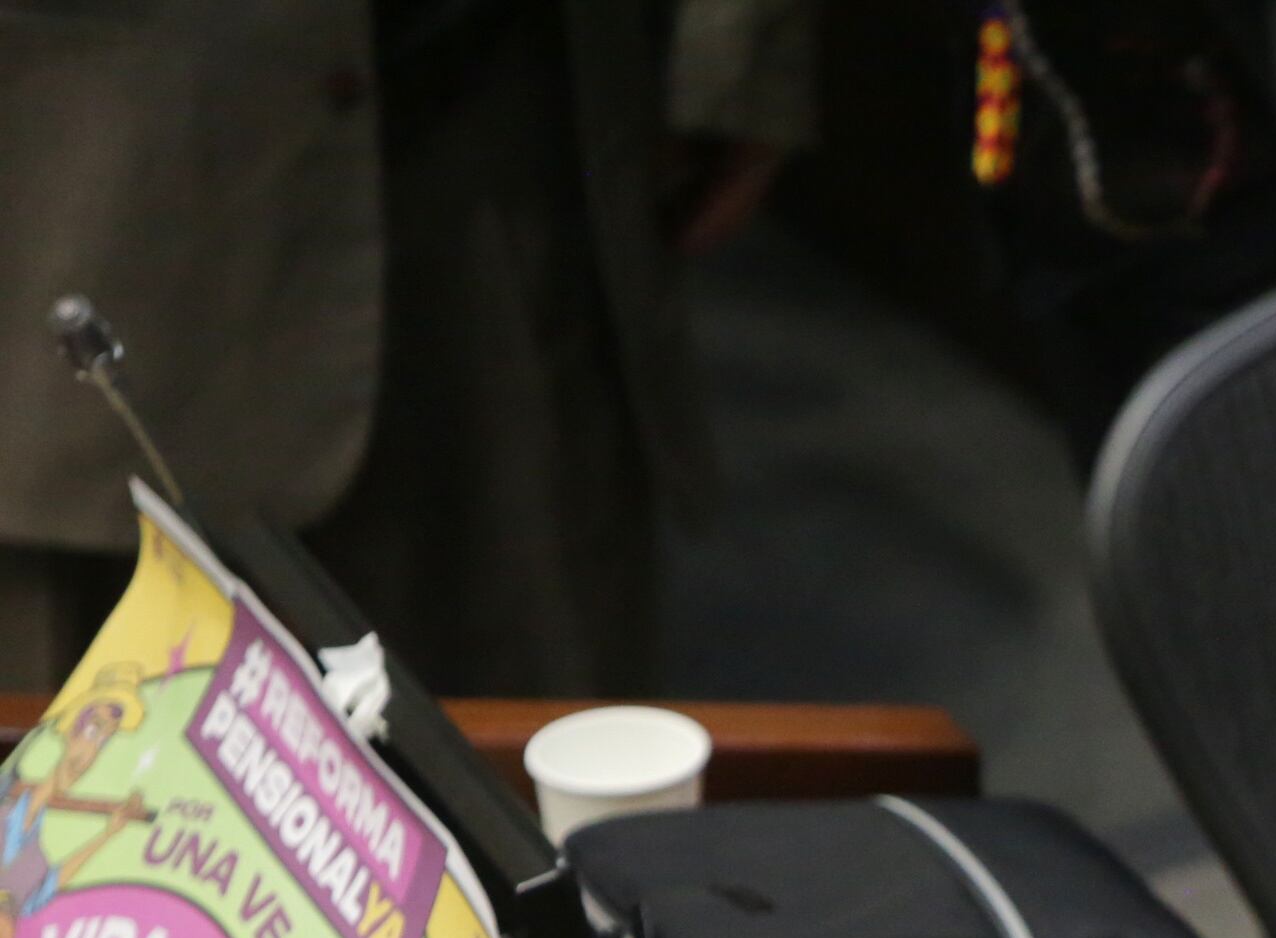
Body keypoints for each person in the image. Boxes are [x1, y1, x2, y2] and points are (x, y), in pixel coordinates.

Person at [0, 0, 814, 695]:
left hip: (501, 143)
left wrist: (737, 51)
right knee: (82, 788)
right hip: (80, 164)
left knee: (534, 770)